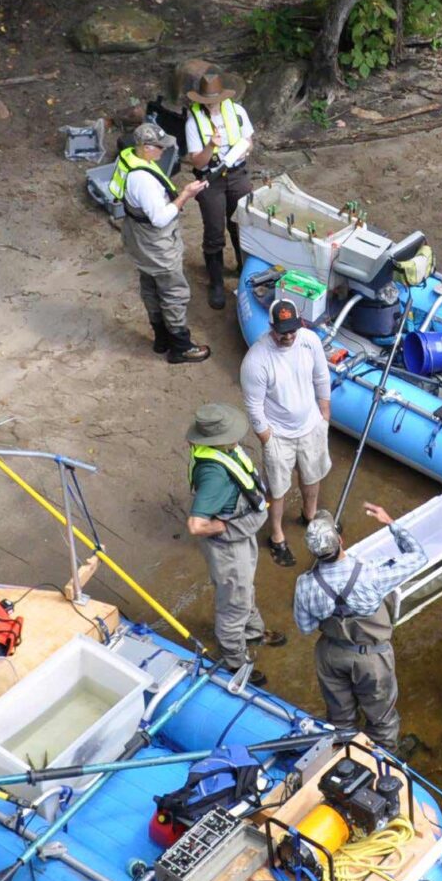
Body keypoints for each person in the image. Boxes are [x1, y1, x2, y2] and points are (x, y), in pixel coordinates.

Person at [292, 501, 419, 754]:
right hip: (372, 659)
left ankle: (343, 756)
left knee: (339, 720)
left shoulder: (304, 584)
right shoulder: (370, 572)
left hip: (330, 655)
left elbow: (305, 627)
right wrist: (391, 522)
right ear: (341, 540)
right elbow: (418, 556)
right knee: (381, 720)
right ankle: (383, 760)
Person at [182, 403, 289, 681]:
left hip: (241, 534)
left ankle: (253, 633)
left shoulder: (222, 451)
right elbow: (195, 524)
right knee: (233, 603)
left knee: (244, 588)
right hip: (227, 545)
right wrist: (218, 525)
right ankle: (235, 662)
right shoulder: (214, 475)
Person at [240, 298, 333, 567]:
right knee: (277, 489)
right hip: (278, 434)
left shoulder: (309, 341)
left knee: (312, 476)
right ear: (271, 327)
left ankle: (310, 515)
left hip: (311, 426)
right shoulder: (257, 360)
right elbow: (254, 406)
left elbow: (321, 375)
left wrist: (324, 412)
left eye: (293, 328)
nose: (289, 335)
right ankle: (277, 535)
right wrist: (267, 438)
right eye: (283, 331)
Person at [111, 123, 211, 363]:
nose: (163, 151)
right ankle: (181, 347)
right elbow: (160, 218)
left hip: (137, 239)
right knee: (173, 292)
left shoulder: (129, 159)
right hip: (156, 245)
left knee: (150, 286)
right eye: (159, 147)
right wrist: (186, 194)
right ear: (146, 148)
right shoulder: (143, 181)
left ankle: (161, 339)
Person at [180, 69, 257, 303]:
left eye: (216, 99)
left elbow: (249, 142)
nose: (212, 104)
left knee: (242, 223)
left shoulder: (237, 111)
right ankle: (216, 282)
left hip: (236, 173)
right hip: (210, 178)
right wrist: (211, 147)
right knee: (214, 231)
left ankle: (245, 271)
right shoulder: (194, 121)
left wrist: (241, 150)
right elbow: (197, 160)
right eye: (208, 101)